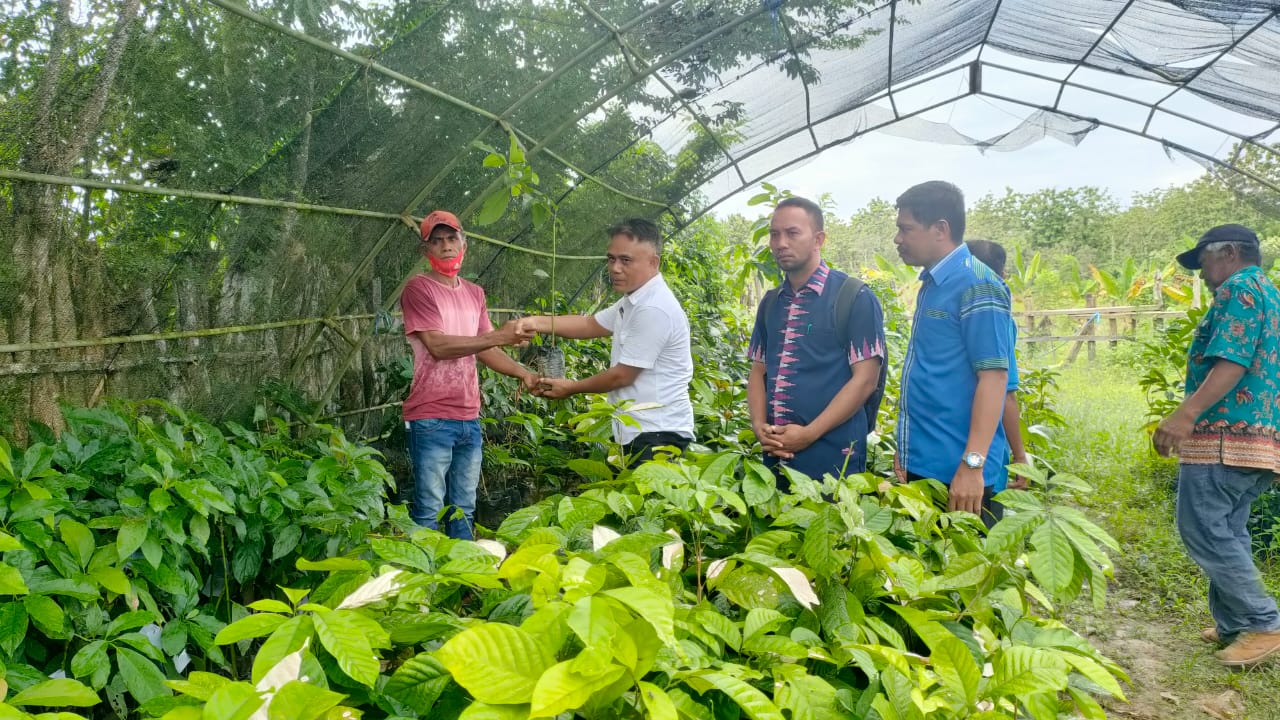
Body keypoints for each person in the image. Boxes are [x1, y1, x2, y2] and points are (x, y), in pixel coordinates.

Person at [1153, 224, 1280, 667]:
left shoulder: (1238, 290)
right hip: (1260, 436)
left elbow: (1232, 361)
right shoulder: (1268, 291)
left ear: (1228, 252)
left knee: (1203, 529)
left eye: (1204, 260)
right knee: (1229, 530)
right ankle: (1234, 624)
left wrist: (1185, 414)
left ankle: (1264, 624)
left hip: (1225, 436)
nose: (1203, 273)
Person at [401, 210, 538, 539]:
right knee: (429, 508)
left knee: (464, 506)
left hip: (468, 416)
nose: (446, 246)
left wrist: (523, 372)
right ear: (426, 251)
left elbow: (484, 349)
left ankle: (462, 581)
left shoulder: (474, 293)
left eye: (451, 238)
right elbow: (438, 345)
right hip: (431, 415)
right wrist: (499, 336)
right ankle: (428, 586)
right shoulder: (419, 289)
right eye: (437, 241)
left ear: (464, 243)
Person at [522, 218, 695, 464]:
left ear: (653, 262)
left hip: (657, 434)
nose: (615, 268)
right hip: (639, 430)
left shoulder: (654, 308)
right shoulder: (633, 300)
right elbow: (590, 325)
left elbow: (622, 376)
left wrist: (570, 387)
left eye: (625, 260)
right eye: (611, 259)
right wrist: (535, 322)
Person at [893, 181, 1012, 527]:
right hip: (927, 465)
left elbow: (994, 377)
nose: (898, 239)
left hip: (960, 474)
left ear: (940, 229)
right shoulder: (932, 285)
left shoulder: (977, 285)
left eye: (905, 229)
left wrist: (973, 465)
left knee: (963, 573)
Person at [746, 196, 886, 482]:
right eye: (774, 234)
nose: (780, 243)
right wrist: (760, 426)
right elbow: (758, 372)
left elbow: (865, 381)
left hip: (833, 458)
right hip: (774, 454)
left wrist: (808, 434)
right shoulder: (772, 303)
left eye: (792, 233)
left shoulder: (854, 297)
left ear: (818, 239)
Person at [966, 239, 1030, 491]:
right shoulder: (997, 318)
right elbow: (1006, 397)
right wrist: (1020, 456)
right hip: (986, 458)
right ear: (1002, 275)